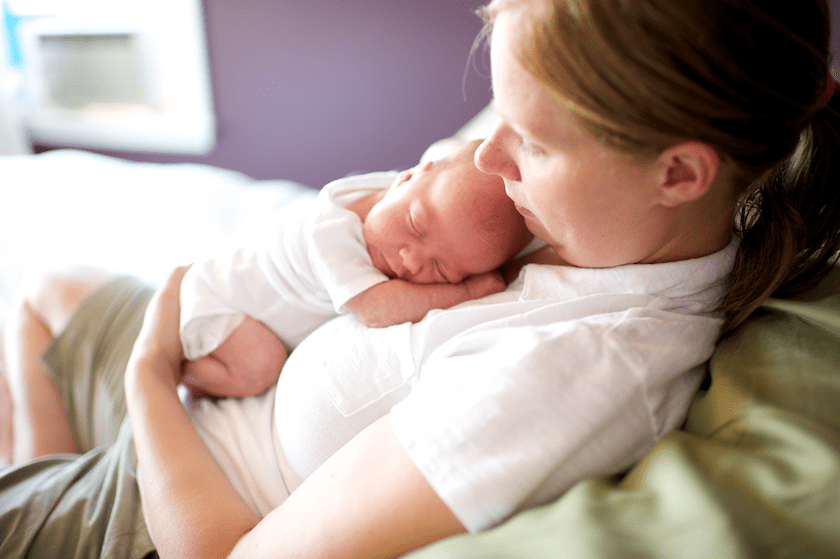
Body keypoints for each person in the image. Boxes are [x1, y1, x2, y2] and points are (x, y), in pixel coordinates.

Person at [1, 1, 839, 558]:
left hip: (161, 501)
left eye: (534, 144)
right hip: (212, 399)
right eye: (499, 116)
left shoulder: (572, 373)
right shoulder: (601, 227)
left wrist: (148, 376)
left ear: (681, 174)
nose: (489, 156)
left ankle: (63, 484)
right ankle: (58, 459)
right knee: (45, 287)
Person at [179, 139, 532, 398]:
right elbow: (375, 309)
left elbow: (453, 170)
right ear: (405, 179)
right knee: (262, 366)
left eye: (441, 269)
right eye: (416, 227)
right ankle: (187, 373)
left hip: (231, 294)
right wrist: (466, 291)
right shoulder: (330, 231)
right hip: (221, 302)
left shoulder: (410, 196)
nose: (412, 260)